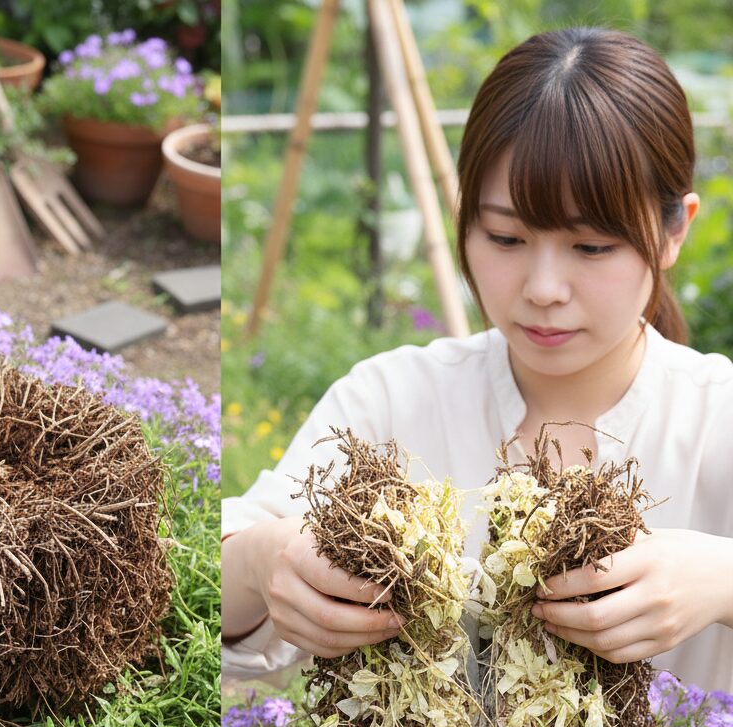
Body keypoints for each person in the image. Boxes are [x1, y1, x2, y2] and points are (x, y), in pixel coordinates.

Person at [221, 27, 733, 693]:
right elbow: (226, 580)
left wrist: (721, 580)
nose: (543, 288)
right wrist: (263, 561)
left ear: (673, 232)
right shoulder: (393, 400)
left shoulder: (715, 416)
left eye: (592, 247)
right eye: (506, 237)